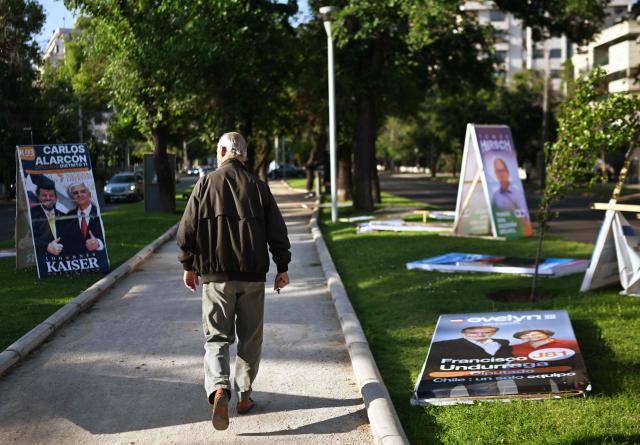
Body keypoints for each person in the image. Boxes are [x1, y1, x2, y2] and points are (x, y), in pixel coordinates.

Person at [176, 132, 291, 431]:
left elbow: (186, 231)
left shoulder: (204, 184)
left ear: (225, 150)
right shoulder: (259, 187)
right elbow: (277, 231)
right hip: (252, 277)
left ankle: (218, 389)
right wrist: (282, 267)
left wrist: (189, 266)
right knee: (250, 339)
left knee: (216, 338)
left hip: (216, 278)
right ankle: (244, 396)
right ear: (243, 155)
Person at [425, 326, 513, 397]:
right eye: (473, 332)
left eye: (486, 332)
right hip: (449, 375)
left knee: (487, 397)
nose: (480, 335)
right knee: (439, 396)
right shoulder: (442, 344)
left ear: (494, 333)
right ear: (463, 333)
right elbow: (433, 361)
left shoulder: (503, 342)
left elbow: (506, 356)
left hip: (483, 377)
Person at [63, 182, 105, 255]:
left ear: (89, 195)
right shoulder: (68, 216)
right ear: (72, 198)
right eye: (75, 193)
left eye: (83, 191)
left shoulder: (98, 212)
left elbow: (103, 237)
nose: (79, 195)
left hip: (98, 259)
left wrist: (98, 243)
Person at [29, 175, 66, 257]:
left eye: (51, 195)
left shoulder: (63, 214)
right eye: (44, 195)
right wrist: (47, 246)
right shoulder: (31, 214)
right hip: (42, 258)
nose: (48, 198)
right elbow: (29, 238)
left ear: (56, 198)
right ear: (38, 197)